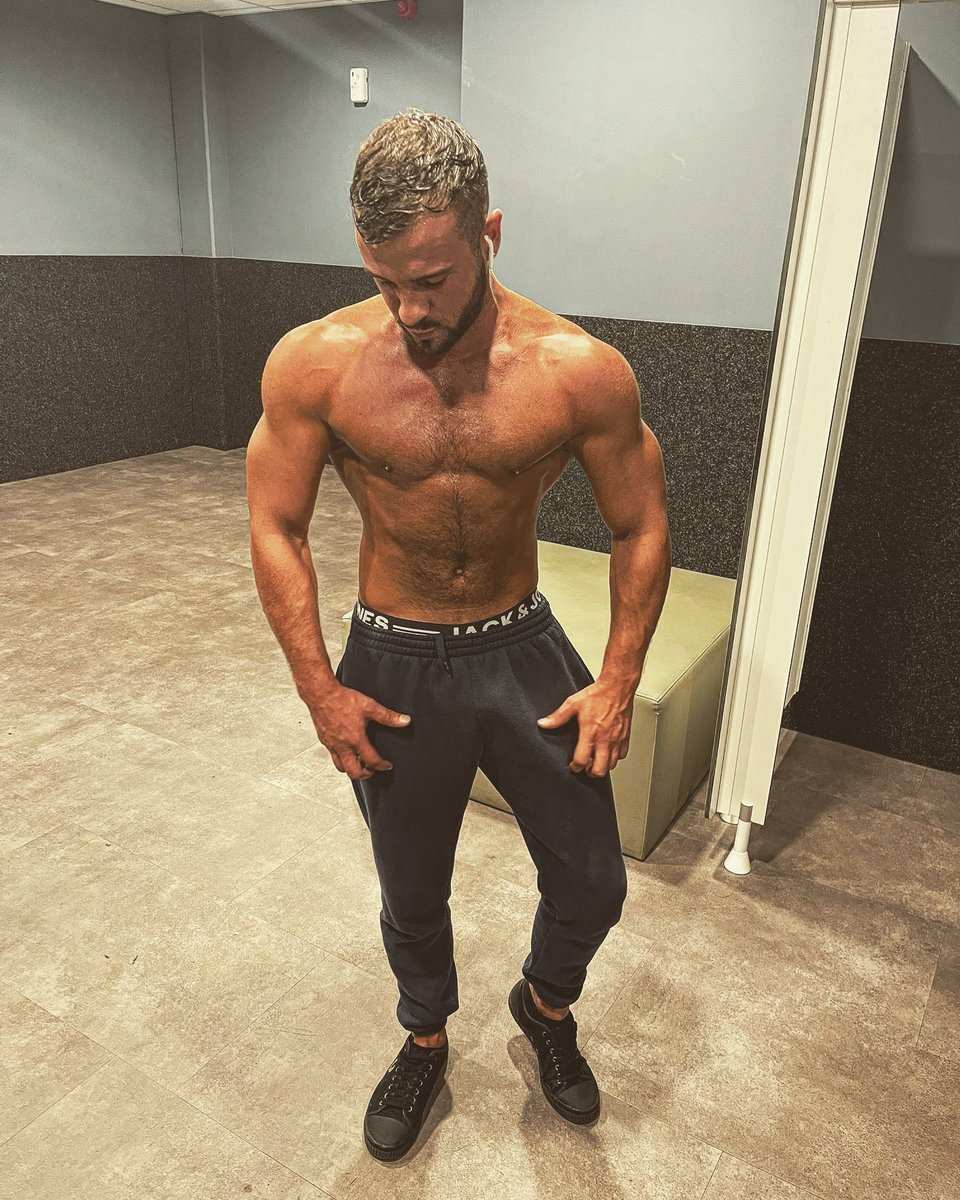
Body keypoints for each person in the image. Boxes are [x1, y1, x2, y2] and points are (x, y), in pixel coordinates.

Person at [245, 108, 671, 1161]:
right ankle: (425, 1034)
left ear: (490, 233)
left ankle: (546, 1006)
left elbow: (641, 524)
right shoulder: (316, 365)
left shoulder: (578, 370)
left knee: (593, 880)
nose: (410, 308)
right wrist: (319, 688)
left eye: (432, 279)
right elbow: (275, 525)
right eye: (386, 280)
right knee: (411, 884)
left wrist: (619, 679)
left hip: (522, 649)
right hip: (391, 657)